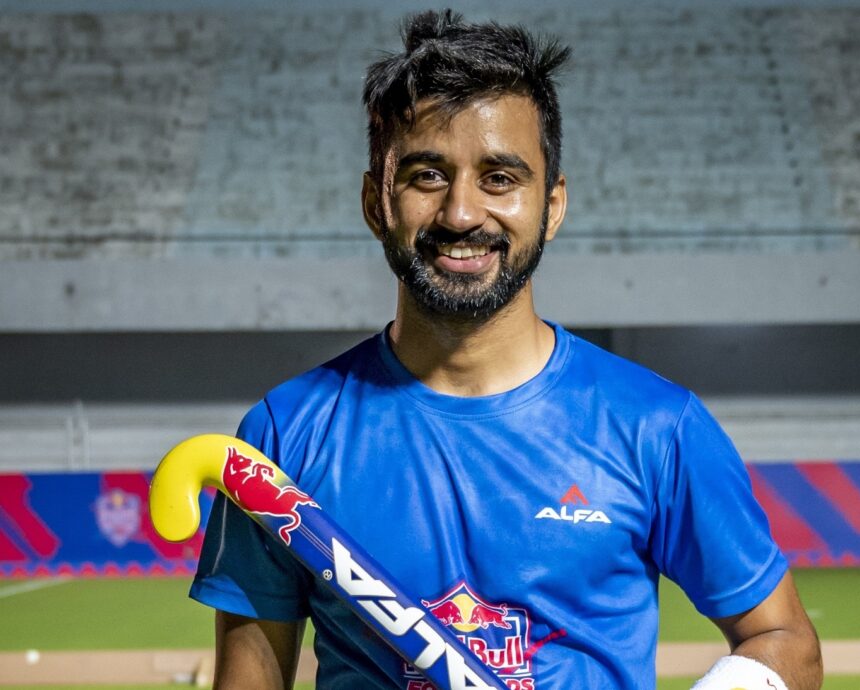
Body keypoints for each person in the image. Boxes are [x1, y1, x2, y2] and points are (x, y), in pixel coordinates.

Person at [189, 9, 823, 690]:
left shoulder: (656, 428)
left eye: (499, 178)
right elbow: (250, 677)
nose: (462, 213)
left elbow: (783, 639)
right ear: (376, 203)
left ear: (552, 206)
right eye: (427, 176)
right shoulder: (285, 434)